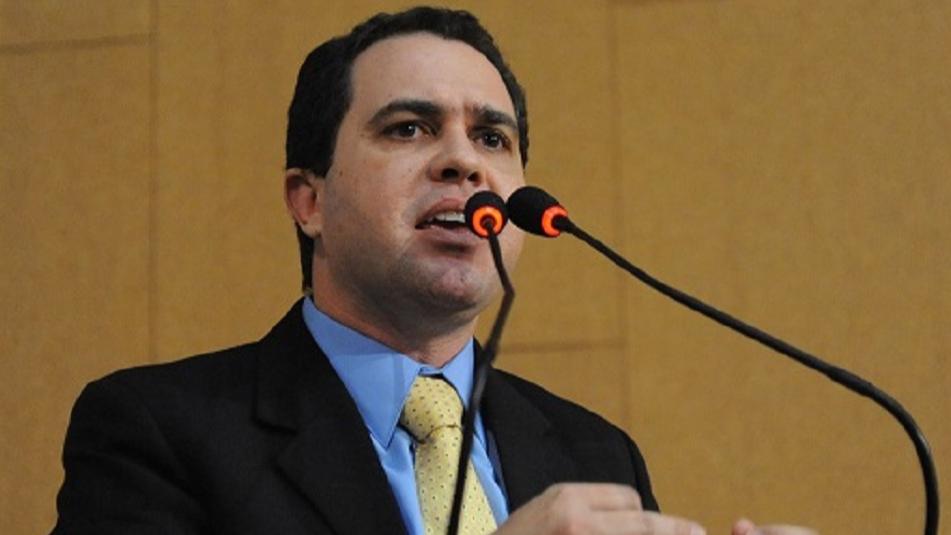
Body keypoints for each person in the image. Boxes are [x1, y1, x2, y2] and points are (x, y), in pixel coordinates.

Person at [52, 7, 816, 535]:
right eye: (410, 128)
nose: (462, 161)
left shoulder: (594, 452)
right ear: (309, 200)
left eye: (492, 138)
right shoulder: (158, 430)